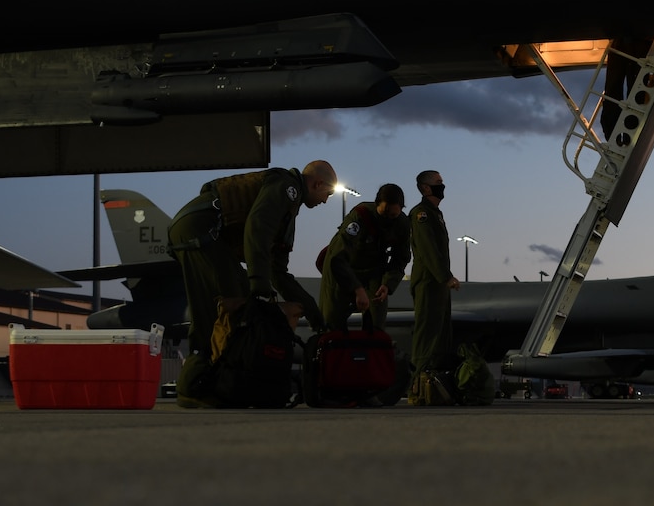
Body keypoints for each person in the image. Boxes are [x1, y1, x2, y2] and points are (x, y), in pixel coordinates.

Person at [166, 160, 336, 406]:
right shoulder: (287, 187)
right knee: (227, 308)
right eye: (327, 193)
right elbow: (258, 229)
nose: (326, 200)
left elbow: (278, 271)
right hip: (201, 229)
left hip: (205, 231)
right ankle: (196, 387)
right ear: (317, 183)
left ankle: (213, 384)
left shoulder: (288, 207)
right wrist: (259, 287)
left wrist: (314, 315)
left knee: (239, 299)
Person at [318, 182, 409, 334]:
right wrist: (357, 288)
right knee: (331, 322)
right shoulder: (360, 216)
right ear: (377, 204)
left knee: (376, 322)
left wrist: (388, 284)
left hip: (373, 270)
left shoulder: (402, 224)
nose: (388, 219)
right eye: (384, 214)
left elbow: (401, 258)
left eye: (393, 215)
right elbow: (338, 257)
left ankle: (372, 353)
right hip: (342, 268)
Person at [407, 169, 459, 385]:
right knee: (427, 331)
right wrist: (445, 276)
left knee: (439, 331)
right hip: (429, 281)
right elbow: (428, 249)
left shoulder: (436, 213)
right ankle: (418, 380)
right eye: (438, 182)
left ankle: (433, 382)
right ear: (426, 188)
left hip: (437, 283)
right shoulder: (422, 214)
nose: (442, 186)